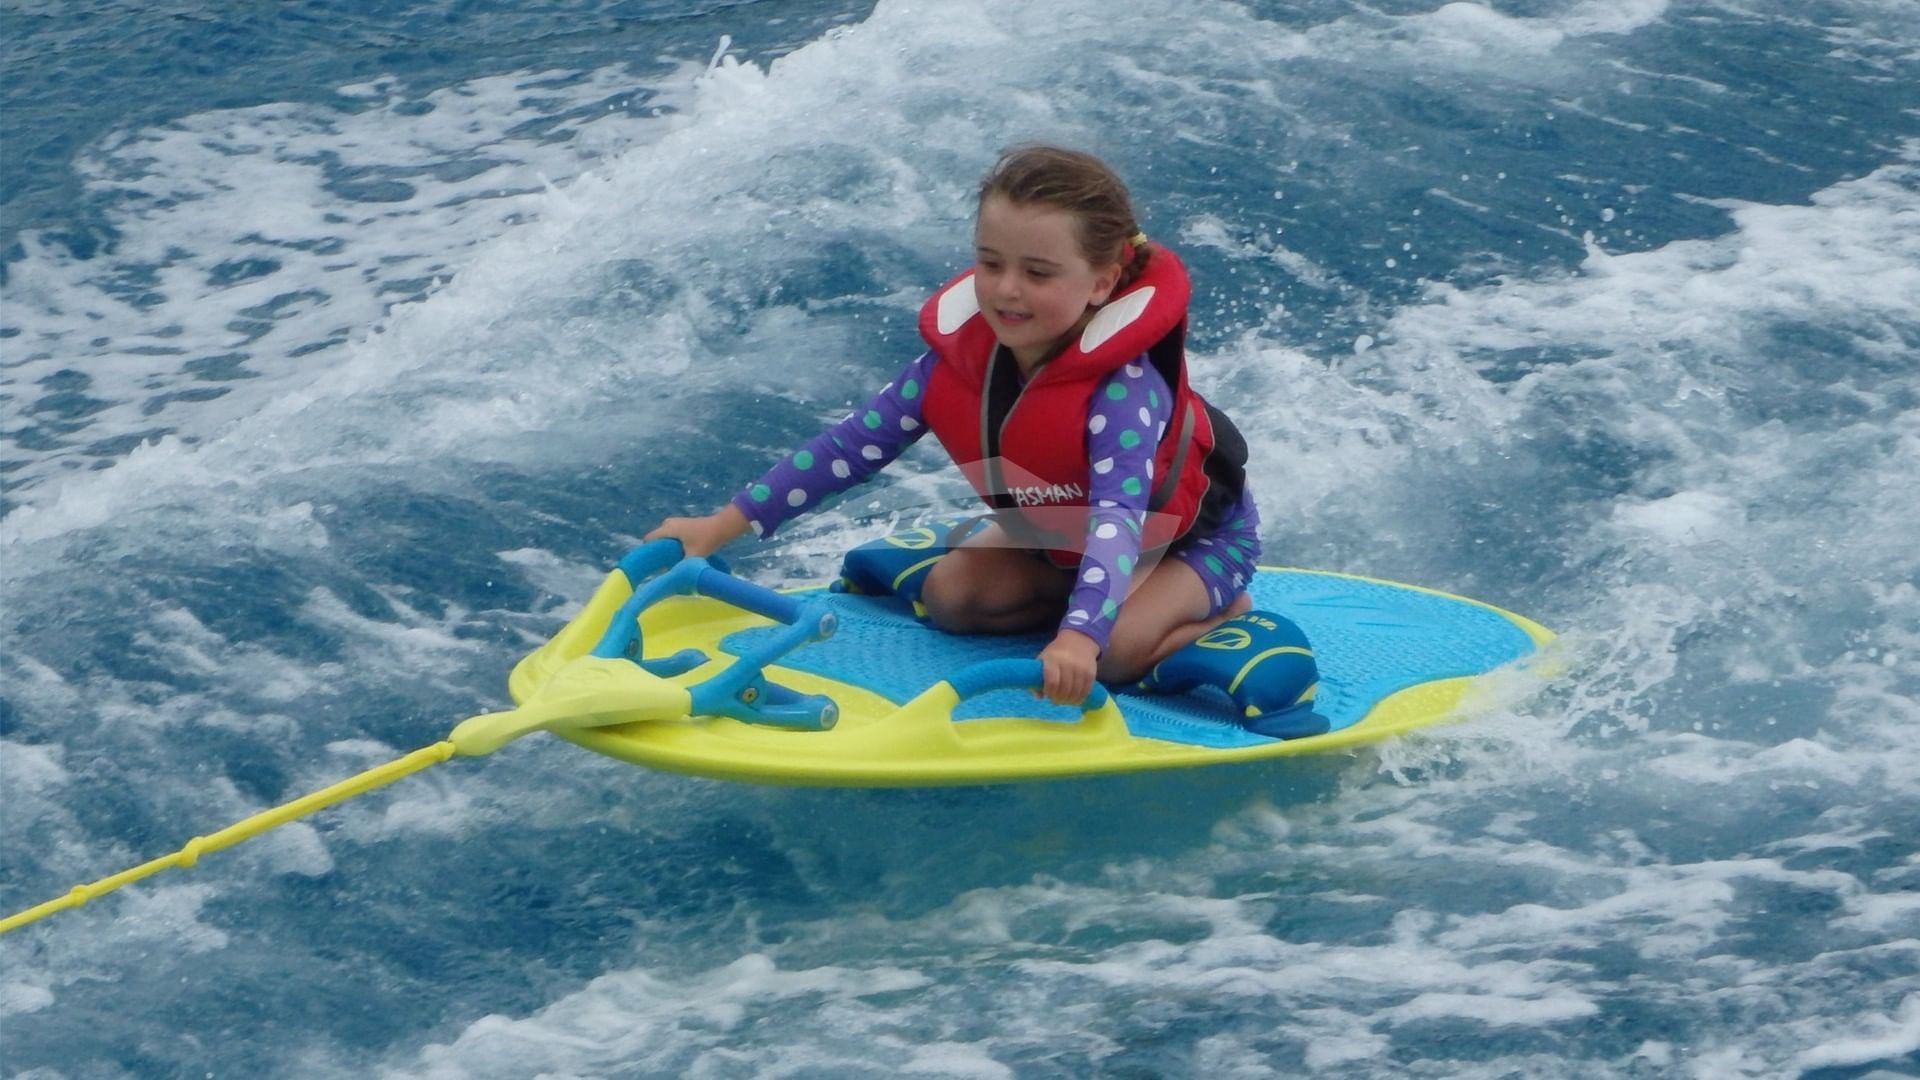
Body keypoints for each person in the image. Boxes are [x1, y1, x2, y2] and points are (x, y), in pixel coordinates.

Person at [648, 145, 1259, 706]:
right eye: (990, 263)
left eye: (1038, 273)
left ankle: (1219, 610)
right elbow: (848, 448)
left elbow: (1118, 517)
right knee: (951, 599)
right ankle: (1091, 604)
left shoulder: (1123, 392)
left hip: (1187, 543)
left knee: (1114, 654)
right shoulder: (952, 367)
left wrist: (1080, 635)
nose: (1007, 290)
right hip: (1059, 538)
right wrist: (720, 526)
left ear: (1101, 283)